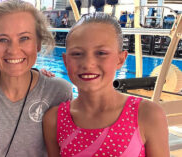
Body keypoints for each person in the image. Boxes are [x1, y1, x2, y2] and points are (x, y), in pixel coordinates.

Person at [0, 0, 72, 156]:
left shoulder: (57, 91)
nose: (13, 50)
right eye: (2, 40)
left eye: (24, 38)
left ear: (38, 44)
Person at [43, 12, 169, 157]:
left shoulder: (147, 115)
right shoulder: (54, 120)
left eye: (101, 53)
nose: (88, 64)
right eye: (77, 54)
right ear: (65, 61)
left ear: (120, 59)